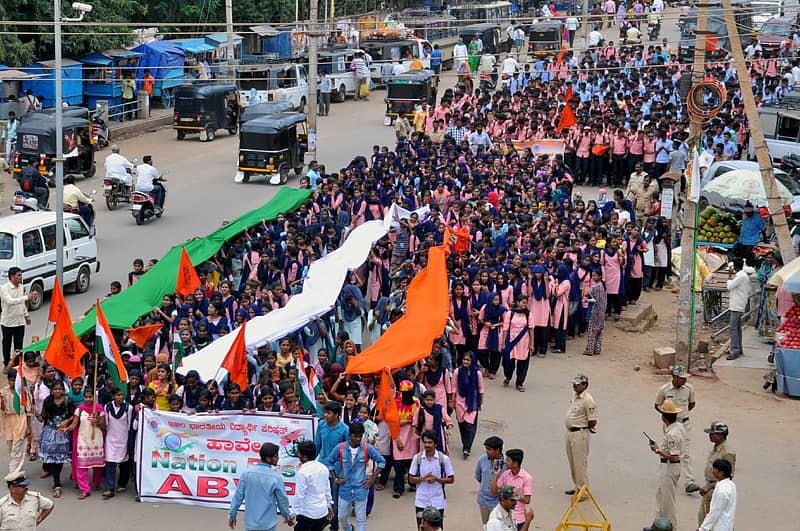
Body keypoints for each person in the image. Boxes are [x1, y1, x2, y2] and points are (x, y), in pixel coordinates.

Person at [325, 421, 385, 531]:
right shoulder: (341, 448)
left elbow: (381, 461)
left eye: (360, 436)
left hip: (361, 488)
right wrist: (335, 478)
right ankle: (348, 528)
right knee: (342, 517)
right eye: (355, 436)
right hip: (345, 488)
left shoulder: (367, 448)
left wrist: (372, 480)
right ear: (350, 435)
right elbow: (329, 461)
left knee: (361, 519)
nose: (358, 439)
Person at [229, 442, 295, 531]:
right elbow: (282, 501)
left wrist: (232, 515)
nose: (278, 458)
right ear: (268, 458)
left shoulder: (246, 474)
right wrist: (287, 516)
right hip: (268, 525)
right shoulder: (276, 477)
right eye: (276, 456)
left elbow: (238, 497)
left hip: (251, 525)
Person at [655, 365, 698, 493]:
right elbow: (657, 405)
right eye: (682, 378)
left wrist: (682, 414)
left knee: (685, 452)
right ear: (674, 377)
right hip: (670, 425)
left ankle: (689, 481)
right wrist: (668, 416)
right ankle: (667, 474)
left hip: (684, 424)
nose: (684, 380)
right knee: (670, 450)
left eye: (685, 378)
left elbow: (692, 404)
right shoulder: (664, 389)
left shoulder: (689, 389)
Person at [649, 399, 685, 531]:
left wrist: (657, 450)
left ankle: (671, 528)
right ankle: (657, 526)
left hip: (669, 467)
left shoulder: (672, 434)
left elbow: (674, 456)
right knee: (661, 500)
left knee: (668, 504)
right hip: (669, 467)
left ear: (663, 417)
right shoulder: (678, 427)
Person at [35, 379, 73, 498]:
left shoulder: (67, 400)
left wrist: (67, 421)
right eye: (55, 389)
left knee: (60, 458)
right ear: (52, 390)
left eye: (59, 389)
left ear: (63, 390)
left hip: (62, 433)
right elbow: (42, 418)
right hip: (49, 433)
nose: (57, 391)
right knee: (50, 458)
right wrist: (35, 413)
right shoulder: (48, 400)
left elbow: (74, 415)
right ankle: (57, 483)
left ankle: (57, 481)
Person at [409, 430, 454, 529]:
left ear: (436, 444)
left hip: (438, 501)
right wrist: (423, 478)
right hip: (421, 500)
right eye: (425, 442)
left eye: (430, 442)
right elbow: (411, 479)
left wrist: (436, 479)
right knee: (421, 527)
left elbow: (451, 479)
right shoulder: (417, 458)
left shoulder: (443, 459)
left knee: (437, 528)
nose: (427, 445)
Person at [315, 401, 349, 531]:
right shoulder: (321, 425)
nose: (325, 415)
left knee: (333, 499)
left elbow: (347, 452)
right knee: (321, 497)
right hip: (321, 467)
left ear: (337, 415)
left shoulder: (345, 430)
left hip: (337, 470)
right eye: (325, 412)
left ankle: (334, 525)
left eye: (328, 413)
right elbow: (317, 444)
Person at [68, 388, 106, 499]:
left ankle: (97, 482)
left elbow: (103, 425)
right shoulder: (79, 409)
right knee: (81, 465)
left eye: (90, 397)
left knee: (97, 465)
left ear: (94, 397)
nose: (88, 399)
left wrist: (97, 420)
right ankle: (85, 489)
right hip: (83, 440)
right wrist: (66, 429)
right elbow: (74, 424)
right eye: (86, 397)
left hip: (96, 440)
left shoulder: (99, 409)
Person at [564, 373, 597, 496]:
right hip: (570, 432)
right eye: (574, 384)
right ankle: (577, 486)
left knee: (580, 464)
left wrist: (585, 427)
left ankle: (583, 492)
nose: (574, 387)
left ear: (584, 385)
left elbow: (593, 420)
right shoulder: (575, 395)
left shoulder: (588, 400)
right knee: (573, 463)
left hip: (580, 433)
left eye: (577, 385)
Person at [698, 422, 736, 526]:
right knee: (703, 516)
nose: (710, 435)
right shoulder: (716, 447)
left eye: (712, 433)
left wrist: (710, 486)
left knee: (710, 518)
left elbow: (728, 477)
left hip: (716, 489)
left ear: (719, 436)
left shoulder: (727, 452)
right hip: (710, 486)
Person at [0, 267, 34, 371]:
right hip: (8, 322)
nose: (20, 277)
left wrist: (26, 315)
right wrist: (26, 297)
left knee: (19, 345)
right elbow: (10, 301)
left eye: (21, 275)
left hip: (20, 321)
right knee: (7, 344)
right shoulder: (4, 288)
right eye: (18, 275)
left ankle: (18, 364)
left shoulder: (20, 287)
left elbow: (21, 303)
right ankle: (7, 363)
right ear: (12, 276)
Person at [294, 440, 333, 531]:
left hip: (306, 514)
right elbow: (327, 489)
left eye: (299, 453)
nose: (298, 455)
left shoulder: (303, 472)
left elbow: (299, 496)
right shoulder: (323, 468)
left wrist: (293, 514)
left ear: (304, 457)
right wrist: (329, 505)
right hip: (321, 513)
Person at [103, 386, 133, 498]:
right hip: (111, 438)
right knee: (110, 462)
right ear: (113, 396)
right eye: (117, 395)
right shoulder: (107, 407)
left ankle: (122, 483)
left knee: (124, 463)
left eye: (121, 395)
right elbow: (106, 423)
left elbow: (129, 425)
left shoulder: (128, 408)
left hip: (123, 438)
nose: (120, 397)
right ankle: (109, 488)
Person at [492, 449, 533, 530]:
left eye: (508, 460)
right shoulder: (505, 474)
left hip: (519, 518)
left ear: (515, 464)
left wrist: (512, 494)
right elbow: (494, 492)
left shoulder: (527, 478)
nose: (505, 462)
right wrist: (496, 475)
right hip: (506, 516)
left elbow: (527, 500)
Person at [0, 369, 30, 476]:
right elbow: (3, 410)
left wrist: (29, 427)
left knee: (17, 448)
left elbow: (28, 410)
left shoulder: (23, 392)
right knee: (11, 449)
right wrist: (2, 400)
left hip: (20, 419)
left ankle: (13, 474)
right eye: (11, 380)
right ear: (8, 380)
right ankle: (19, 471)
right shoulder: (3, 392)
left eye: (14, 380)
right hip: (9, 422)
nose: (12, 382)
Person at [725, 258, 754, 360]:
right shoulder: (743, 276)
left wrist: (729, 277)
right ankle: (738, 348)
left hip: (737, 305)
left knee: (733, 327)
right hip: (738, 304)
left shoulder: (741, 277)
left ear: (735, 267)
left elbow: (729, 286)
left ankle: (735, 350)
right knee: (737, 327)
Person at [698, 459, 736, 531]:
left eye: (715, 469)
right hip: (728, 525)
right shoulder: (731, 485)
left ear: (721, 473)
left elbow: (715, 512)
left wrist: (703, 528)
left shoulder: (721, 492)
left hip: (719, 527)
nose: (712, 471)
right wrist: (710, 486)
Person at [475, 436, 505, 525]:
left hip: (499, 503)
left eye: (489, 449)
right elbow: (478, 476)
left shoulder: (507, 464)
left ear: (497, 450)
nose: (486, 451)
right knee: (486, 525)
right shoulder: (482, 459)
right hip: (483, 501)